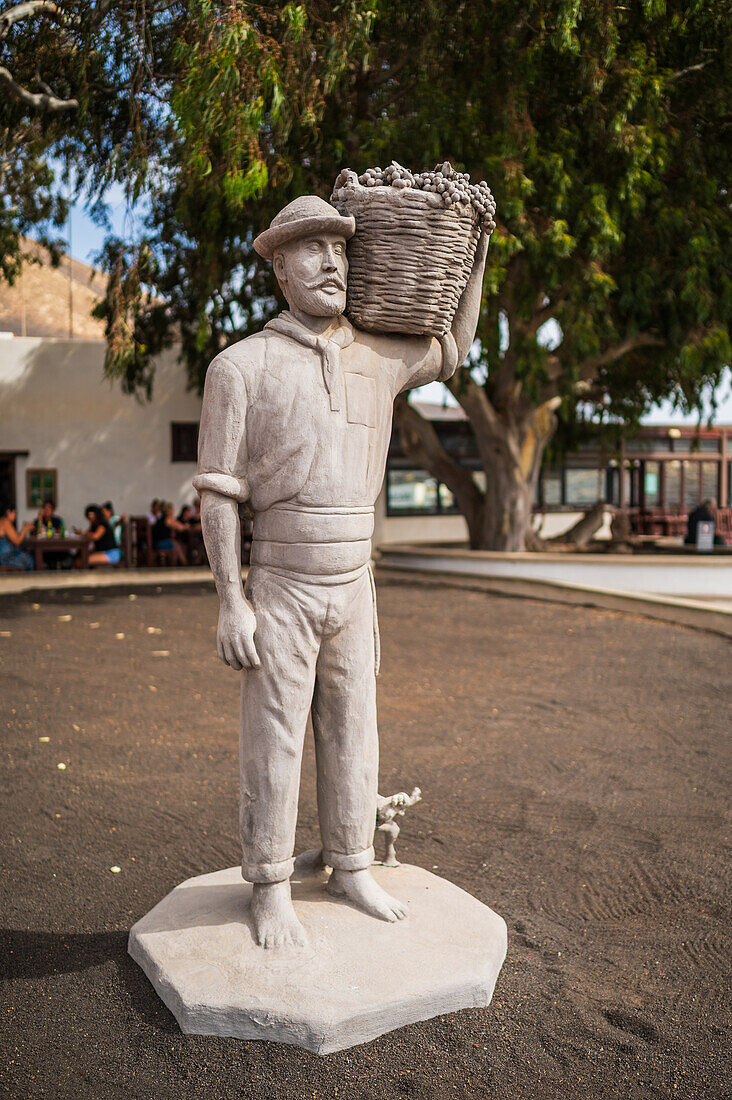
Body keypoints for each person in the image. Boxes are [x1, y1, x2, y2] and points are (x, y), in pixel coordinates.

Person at [194, 193, 488, 948]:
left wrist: (477, 247)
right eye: (311, 250)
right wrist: (232, 599)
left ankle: (353, 864)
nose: (332, 262)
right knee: (274, 735)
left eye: (342, 249)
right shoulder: (240, 368)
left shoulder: (380, 357)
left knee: (357, 727)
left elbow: (457, 339)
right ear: (279, 271)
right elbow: (220, 494)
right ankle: (268, 883)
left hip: (355, 584)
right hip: (282, 582)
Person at [0, 503, 34, 571]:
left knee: (27, 555)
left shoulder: (2, 521)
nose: (15, 516)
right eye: (14, 513)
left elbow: (14, 537)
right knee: (29, 560)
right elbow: (17, 542)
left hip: (6, 556)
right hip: (5, 558)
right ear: (9, 512)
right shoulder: (6, 522)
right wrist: (24, 530)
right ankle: (28, 580)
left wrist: (24, 529)